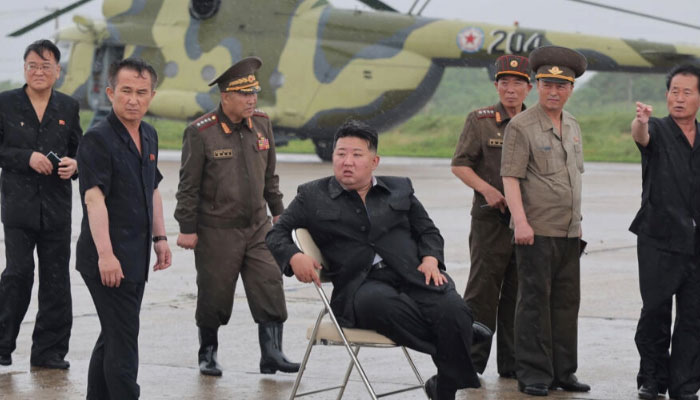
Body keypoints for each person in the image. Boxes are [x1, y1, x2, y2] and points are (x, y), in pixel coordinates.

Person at [266, 119, 493, 400]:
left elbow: (428, 231)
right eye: (340, 154)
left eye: (356, 155)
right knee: (385, 307)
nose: (347, 162)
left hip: (414, 274)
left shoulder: (399, 189)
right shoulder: (312, 195)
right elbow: (276, 234)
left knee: (453, 308)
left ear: (374, 161)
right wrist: (294, 256)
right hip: (362, 286)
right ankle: (462, 339)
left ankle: (444, 384)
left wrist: (431, 259)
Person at [174, 56, 298, 377]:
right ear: (225, 96)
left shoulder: (262, 124)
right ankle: (208, 353)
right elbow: (188, 186)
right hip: (217, 230)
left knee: (269, 285)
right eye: (244, 94)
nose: (251, 99)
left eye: (254, 93)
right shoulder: (201, 132)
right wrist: (187, 228)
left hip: (259, 227)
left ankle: (272, 353)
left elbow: (270, 178)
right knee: (214, 293)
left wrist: (281, 219)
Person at [76, 58, 172, 400]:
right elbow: (93, 200)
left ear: (152, 95)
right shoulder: (98, 139)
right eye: (126, 91)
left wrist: (160, 238)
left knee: (114, 335)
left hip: (135, 257)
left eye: (141, 92)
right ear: (110, 92)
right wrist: (106, 255)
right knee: (124, 339)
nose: (134, 99)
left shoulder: (149, 134)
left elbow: (153, 189)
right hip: (106, 258)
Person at [500, 45, 589, 397]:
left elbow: (573, 176)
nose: (554, 92)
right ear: (537, 86)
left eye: (561, 86)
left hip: (568, 231)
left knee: (566, 304)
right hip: (535, 231)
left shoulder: (573, 125)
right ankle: (534, 375)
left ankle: (563, 372)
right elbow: (510, 178)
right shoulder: (521, 126)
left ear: (570, 89)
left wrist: (577, 220)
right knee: (534, 303)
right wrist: (520, 222)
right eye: (547, 85)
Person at [0, 39, 81, 369]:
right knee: (18, 274)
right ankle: (2, 344)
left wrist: (75, 165)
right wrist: (26, 158)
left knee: (56, 281)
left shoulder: (69, 107)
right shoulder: (5, 103)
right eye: (32, 65)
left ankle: (49, 352)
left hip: (57, 208)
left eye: (46, 66)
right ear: (24, 68)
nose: (38, 71)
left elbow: (79, 151)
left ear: (57, 71)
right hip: (19, 208)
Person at [451, 54, 532, 379]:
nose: (510, 90)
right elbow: (460, 164)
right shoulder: (480, 120)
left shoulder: (535, 122)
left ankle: (512, 365)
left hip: (525, 222)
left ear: (529, 88)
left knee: (518, 292)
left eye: (517, 83)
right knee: (482, 292)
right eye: (504, 83)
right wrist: (486, 189)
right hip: (490, 219)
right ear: (496, 85)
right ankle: (469, 364)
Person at [630, 65, 700, 400]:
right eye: (674, 91)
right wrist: (641, 121)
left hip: (696, 244)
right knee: (655, 311)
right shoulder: (656, 128)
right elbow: (640, 136)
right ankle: (653, 378)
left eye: (687, 92)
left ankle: (685, 385)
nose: (680, 98)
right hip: (658, 238)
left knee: (693, 317)